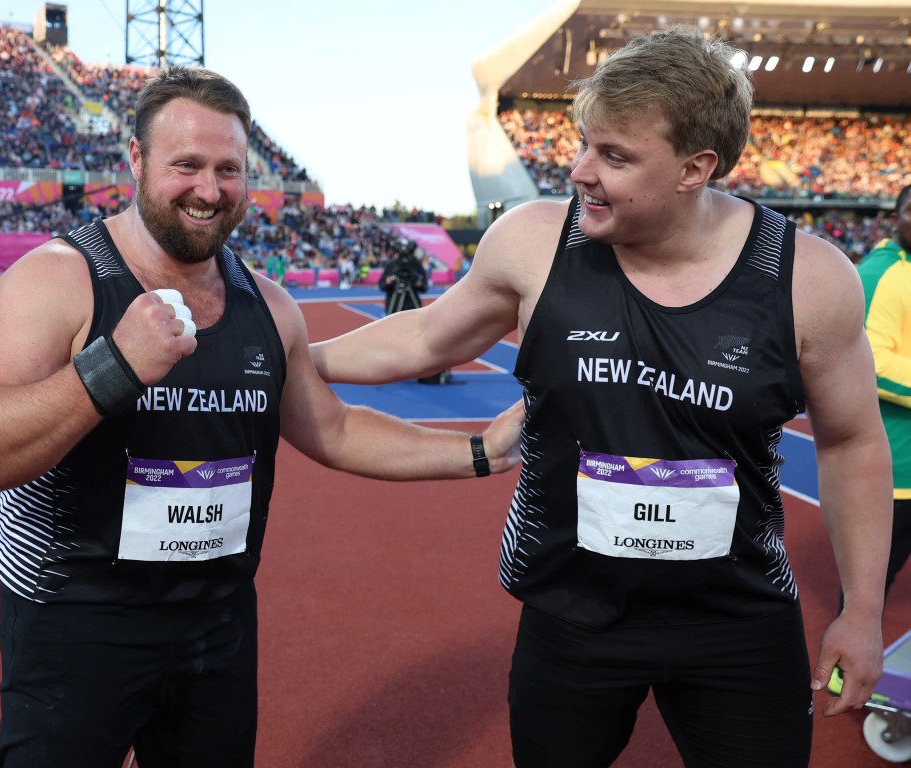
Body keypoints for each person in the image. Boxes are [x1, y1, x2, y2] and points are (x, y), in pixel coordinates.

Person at [310, 26, 892, 767]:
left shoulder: (809, 278)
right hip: (571, 613)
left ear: (695, 167)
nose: (580, 171)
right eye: (583, 143)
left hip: (736, 618)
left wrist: (863, 612)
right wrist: (291, 358)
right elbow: (425, 339)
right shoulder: (535, 241)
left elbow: (849, 442)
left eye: (614, 156)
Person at [0, 66, 523, 768]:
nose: (209, 191)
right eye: (186, 165)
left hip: (216, 623)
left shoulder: (268, 304)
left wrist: (482, 450)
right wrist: (111, 367)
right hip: (76, 621)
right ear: (135, 160)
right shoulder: (59, 279)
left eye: (228, 169)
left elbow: (332, 430)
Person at [856, 183, 911, 602]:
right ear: (897, 217)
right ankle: (839, 669)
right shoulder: (882, 273)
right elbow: (871, 364)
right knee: (867, 593)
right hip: (896, 470)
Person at [378, 237, 427, 315]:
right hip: (394, 304)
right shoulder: (392, 265)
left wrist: (418, 283)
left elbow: (424, 287)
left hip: (411, 305)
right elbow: (382, 285)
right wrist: (388, 282)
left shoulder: (416, 265)